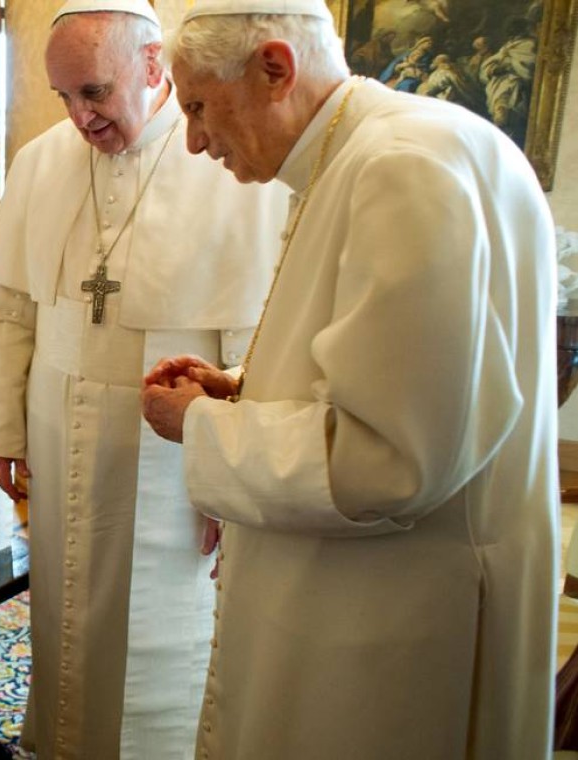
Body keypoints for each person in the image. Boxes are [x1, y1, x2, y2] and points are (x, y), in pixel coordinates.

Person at [142, 0, 558, 757]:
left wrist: (197, 426)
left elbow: (388, 459)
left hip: (398, 608)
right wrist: (242, 385)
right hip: (383, 585)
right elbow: (400, 373)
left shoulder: (397, 166)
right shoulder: (378, 148)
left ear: (274, 67)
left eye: (199, 107)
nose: (195, 141)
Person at [0, 1, 287, 756]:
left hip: (171, 442)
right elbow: (12, 308)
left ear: (152, 70)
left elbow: (253, 329)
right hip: (56, 423)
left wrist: (233, 473)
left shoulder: (224, 155)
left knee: (164, 629)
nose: (79, 118)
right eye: (64, 96)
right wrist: (4, 429)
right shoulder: (40, 161)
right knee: (62, 613)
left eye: (94, 92)